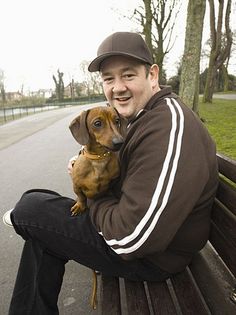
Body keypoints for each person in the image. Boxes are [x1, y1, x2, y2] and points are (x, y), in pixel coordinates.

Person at [3, 32, 218, 315]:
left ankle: (24, 219)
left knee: (32, 209)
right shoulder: (144, 116)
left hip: (153, 256)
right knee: (42, 221)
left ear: (152, 75)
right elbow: (118, 156)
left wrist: (93, 193)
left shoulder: (168, 126)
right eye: (108, 79)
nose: (118, 87)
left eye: (128, 75)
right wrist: (87, 163)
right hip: (137, 232)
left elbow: (132, 238)